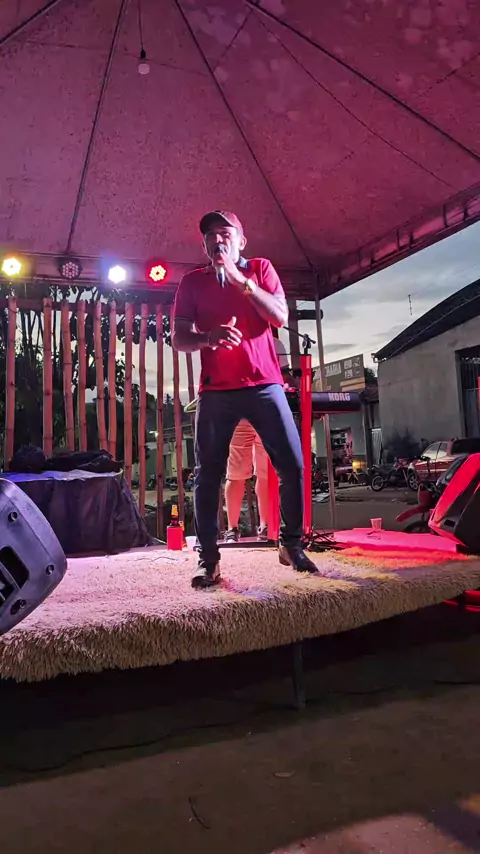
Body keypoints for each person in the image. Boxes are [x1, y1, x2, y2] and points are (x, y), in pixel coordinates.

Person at [173, 210, 317, 588]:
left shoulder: (260, 269)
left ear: (241, 240)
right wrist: (207, 338)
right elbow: (179, 337)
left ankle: (291, 546)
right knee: (207, 475)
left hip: (264, 384)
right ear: (204, 244)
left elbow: (280, 316)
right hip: (216, 390)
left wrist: (240, 281)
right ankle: (209, 561)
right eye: (210, 235)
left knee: (293, 465)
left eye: (225, 233)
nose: (217, 240)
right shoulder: (192, 282)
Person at [224, 337, 292, 543]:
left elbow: (285, 375)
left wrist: (287, 385)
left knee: (265, 473)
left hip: (267, 413)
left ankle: (266, 525)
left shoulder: (275, 344)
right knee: (236, 473)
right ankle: (232, 528)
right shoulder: (233, 340)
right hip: (238, 415)